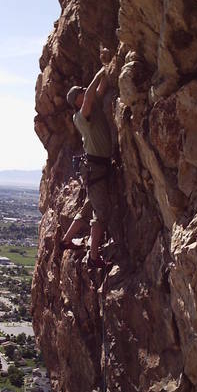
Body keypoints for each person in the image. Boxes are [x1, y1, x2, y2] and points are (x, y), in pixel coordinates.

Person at [62, 49, 113, 269]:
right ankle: (93, 257)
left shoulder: (91, 108)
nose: (85, 91)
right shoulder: (81, 116)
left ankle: (66, 239)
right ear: (77, 101)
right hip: (96, 167)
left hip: (95, 167)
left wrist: (108, 67)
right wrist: (99, 72)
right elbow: (92, 92)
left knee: (88, 205)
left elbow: (99, 90)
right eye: (81, 92)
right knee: (100, 213)